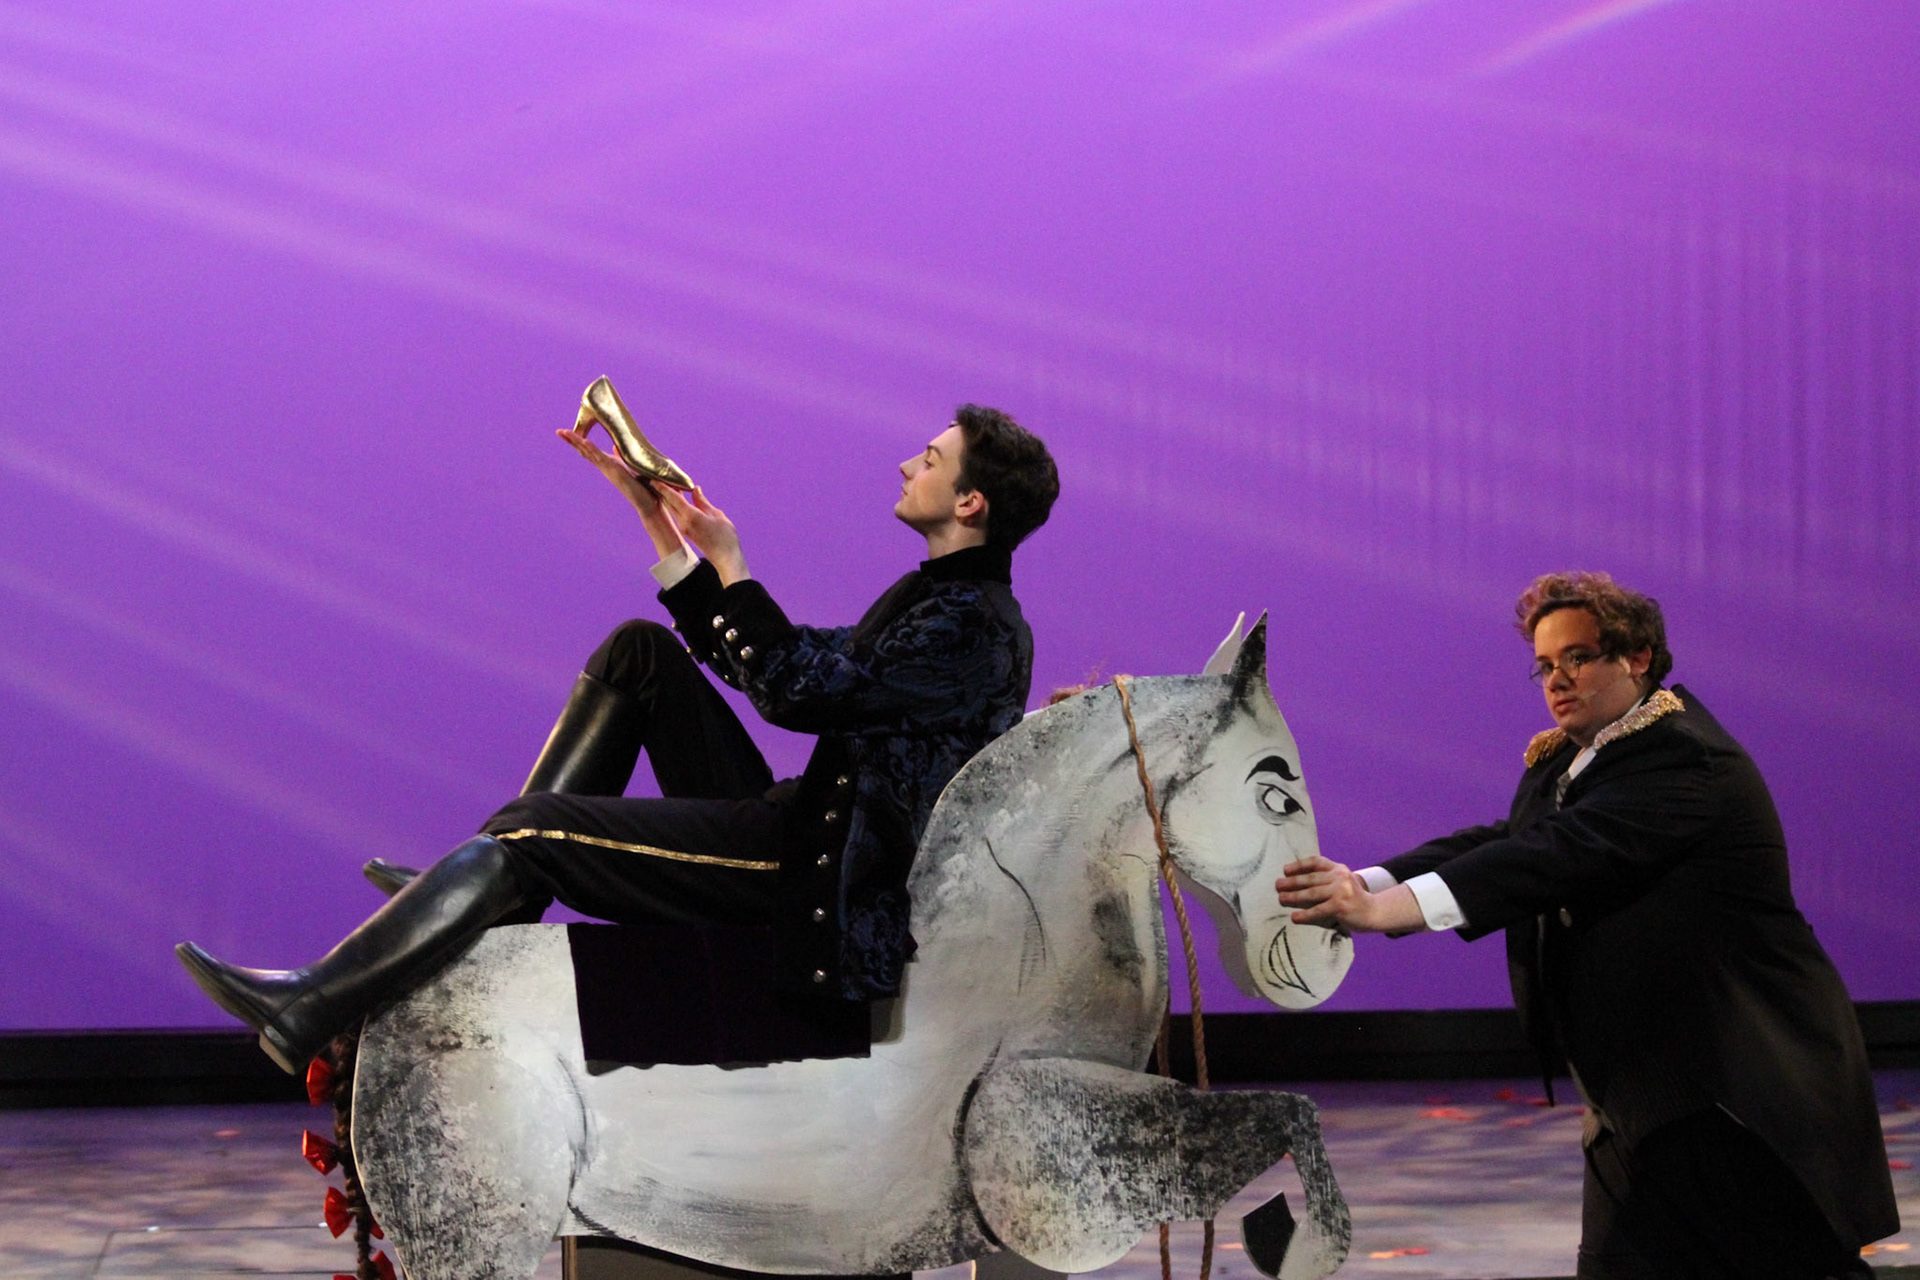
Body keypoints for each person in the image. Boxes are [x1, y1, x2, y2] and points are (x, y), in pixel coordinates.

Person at [177, 402, 1059, 1075]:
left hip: (814, 871)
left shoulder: (972, 626)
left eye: (931, 459)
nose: (909, 463)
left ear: (970, 500)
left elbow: (795, 692)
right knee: (642, 654)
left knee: (531, 829)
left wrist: (734, 563)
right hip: (808, 824)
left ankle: (309, 1007)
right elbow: (788, 660)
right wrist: (665, 531)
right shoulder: (944, 602)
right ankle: (498, 886)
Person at [1275, 571, 1897, 1278]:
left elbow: (1558, 852)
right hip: (1635, 1103)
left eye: (1577, 657)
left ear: (1636, 658)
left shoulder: (1685, 756)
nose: (1557, 679)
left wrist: (1384, 911)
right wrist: (1365, 885)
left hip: (1738, 1095)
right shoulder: (1576, 760)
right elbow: (1508, 839)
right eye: (1544, 665)